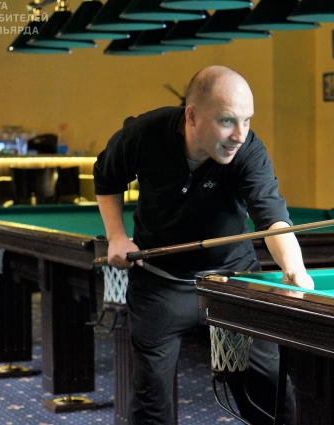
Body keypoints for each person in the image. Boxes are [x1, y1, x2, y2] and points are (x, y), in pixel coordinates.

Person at [93, 65, 314, 425]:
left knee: (270, 395)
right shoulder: (145, 133)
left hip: (233, 280)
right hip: (161, 280)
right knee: (151, 400)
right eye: (227, 121)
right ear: (192, 116)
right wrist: (116, 235)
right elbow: (107, 175)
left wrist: (294, 268)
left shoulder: (248, 150)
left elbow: (272, 218)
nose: (239, 134)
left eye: (247, 120)